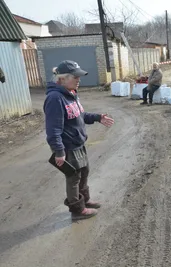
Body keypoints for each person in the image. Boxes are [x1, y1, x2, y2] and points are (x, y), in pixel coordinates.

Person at [44, 60, 114, 221]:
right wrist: (59, 152)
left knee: (84, 173)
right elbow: (53, 129)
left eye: (79, 76)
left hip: (78, 144)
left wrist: (97, 117)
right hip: (67, 147)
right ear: (62, 79)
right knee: (73, 178)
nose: (79, 79)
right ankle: (77, 210)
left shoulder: (71, 94)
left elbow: (79, 115)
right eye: (75, 77)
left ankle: (86, 200)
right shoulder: (55, 98)